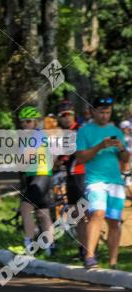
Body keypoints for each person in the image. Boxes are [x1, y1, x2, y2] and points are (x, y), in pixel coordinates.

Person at [74, 96, 130, 269]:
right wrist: (100, 146)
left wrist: (120, 147)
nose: (105, 116)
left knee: (114, 220)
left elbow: (125, 158)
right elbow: (80, 158)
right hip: (95, 181)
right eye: (101, 112)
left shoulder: (116, 130)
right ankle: (90, 256)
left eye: (108, 112)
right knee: (97, 213)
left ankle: (113, 263)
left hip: (115, 181)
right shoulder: (84, 131)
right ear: (93, 111)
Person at [17, 106, 54, 255]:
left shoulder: (38, 135)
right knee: (42, 212)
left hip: (41, 175)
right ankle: (49, 247)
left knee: (25, 208)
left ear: (36, 122)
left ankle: (29, 243)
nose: (25, 124)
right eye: (23, 122)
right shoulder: (27, 138)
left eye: (28, 121)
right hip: (35, 176)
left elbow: (26, 158)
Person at [55, 100, 85, 257]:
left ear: (74, 115)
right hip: (71, 177)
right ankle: (83, 250)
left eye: (69, 115)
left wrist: (62, 159)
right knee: (76, 215)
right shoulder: (62, 134)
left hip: (82, 175)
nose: (66, 118)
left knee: (85, 214)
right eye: (63, 116)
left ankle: (90, 250)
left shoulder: (79, 130)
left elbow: (72, 153)